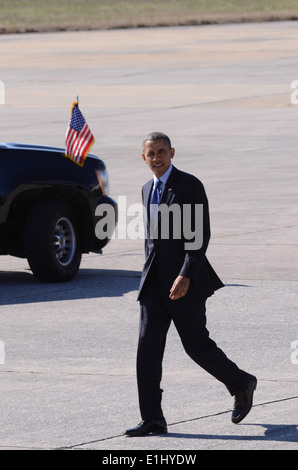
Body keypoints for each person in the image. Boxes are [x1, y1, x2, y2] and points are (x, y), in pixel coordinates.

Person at [125, 132, 257, 437]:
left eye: (162, 152)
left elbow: (199, 235)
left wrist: (185, 274)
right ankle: (152, 418)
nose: (157, 158)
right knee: (147, 350)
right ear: (142, 157)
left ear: (172, 152)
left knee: (196, 346)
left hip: (185, 282)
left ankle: (241, 383)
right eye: (151, 154)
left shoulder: (189, 185)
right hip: (153, 286)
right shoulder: (147, 189)